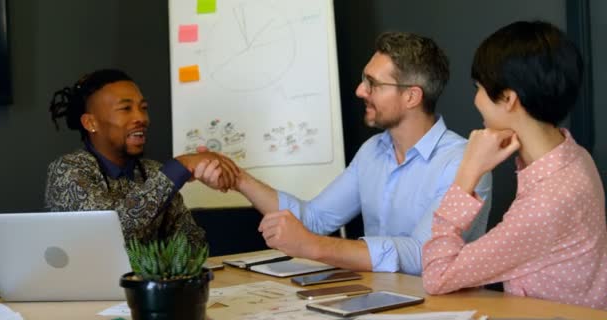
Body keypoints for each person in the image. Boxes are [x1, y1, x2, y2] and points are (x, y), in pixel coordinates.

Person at [195, 32, 492, 274]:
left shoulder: (463, 162)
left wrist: (315, 247)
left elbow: (422, 254)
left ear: (411, 96)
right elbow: (313, 219)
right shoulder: (372, 152)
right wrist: (237, 178)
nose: (360, 91)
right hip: (380, 300)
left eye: (372, 84)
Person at [422, 21, 607, 309]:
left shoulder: (545, 204)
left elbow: (437, 275)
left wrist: (467, 173)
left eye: (479, 88)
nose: (476, 99)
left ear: (508, 98)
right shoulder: (574, 155)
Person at [45, 69, 238, 249]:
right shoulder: (68, 170)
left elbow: (192, 243)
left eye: (143, 108)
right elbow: (108, 234)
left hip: (154, 284)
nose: (142, 118)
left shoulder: (153, 171)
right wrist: (181, 166)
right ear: (91, 123)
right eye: (126, 109)